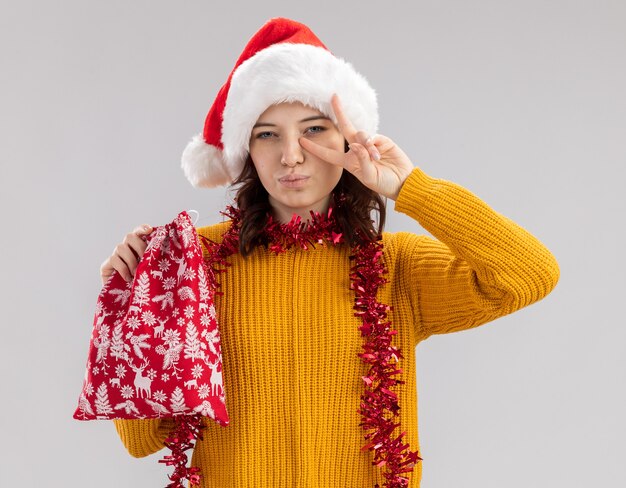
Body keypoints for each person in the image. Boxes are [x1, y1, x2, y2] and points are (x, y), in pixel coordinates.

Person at [101, 17, 559, 488]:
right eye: (266, 134)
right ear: (246, 153)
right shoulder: (197, 261)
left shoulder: (393, 266)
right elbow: (143, 440)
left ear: (348, 137)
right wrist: (133, 311)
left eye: (314, 129)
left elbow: (530, 273)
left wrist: (408, 187)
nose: (292, 156)